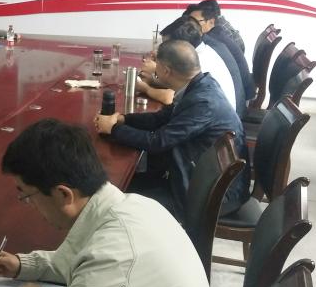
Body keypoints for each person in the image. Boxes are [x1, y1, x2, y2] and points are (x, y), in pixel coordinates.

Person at [0, 119, 220, 287]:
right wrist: (22, 265)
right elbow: (77, 260)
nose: (28, 205)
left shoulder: (116, 252)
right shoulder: (132, 206)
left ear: (63, 194)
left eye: (27, 196)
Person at [95, 39, 249, 216]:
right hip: (197, 177)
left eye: (156, 64)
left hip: (213, 197)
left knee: (115, 201)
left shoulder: (203, 102)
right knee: (124, 184)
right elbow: (161, 118)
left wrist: (113, 129)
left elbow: (157, 142)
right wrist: (123, 120)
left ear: (166, 71)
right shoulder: (200, 85)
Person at [139, 17, 239, 114]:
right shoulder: (202, 52)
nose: (163, 48)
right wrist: (155, 80)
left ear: (181, 46)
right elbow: (181, 89)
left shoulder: (198, 63)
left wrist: (147, 85)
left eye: (166, 44)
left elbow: (170, 98)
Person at [186, 2, 253, 102]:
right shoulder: (217, 35)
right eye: (188, 22)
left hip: (237, 100)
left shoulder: (211, 41)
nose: (190, 26)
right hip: (240, 95)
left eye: (195, 22)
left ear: (211, 22)